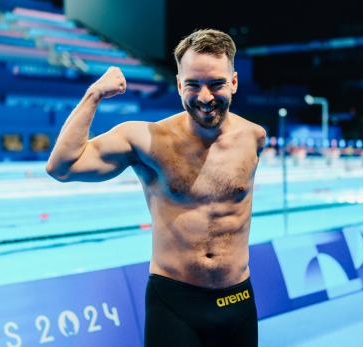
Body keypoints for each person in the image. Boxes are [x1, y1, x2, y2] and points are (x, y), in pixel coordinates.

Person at [46, 29, 265, 347]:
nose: (204, 97)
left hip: (238, 299)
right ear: (179, 85)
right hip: (175, 304)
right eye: (193, 84)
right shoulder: (147, 139)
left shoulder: (253, 137)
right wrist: (94, 95)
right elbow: (61, 167)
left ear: (233, 82)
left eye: (216, 83)